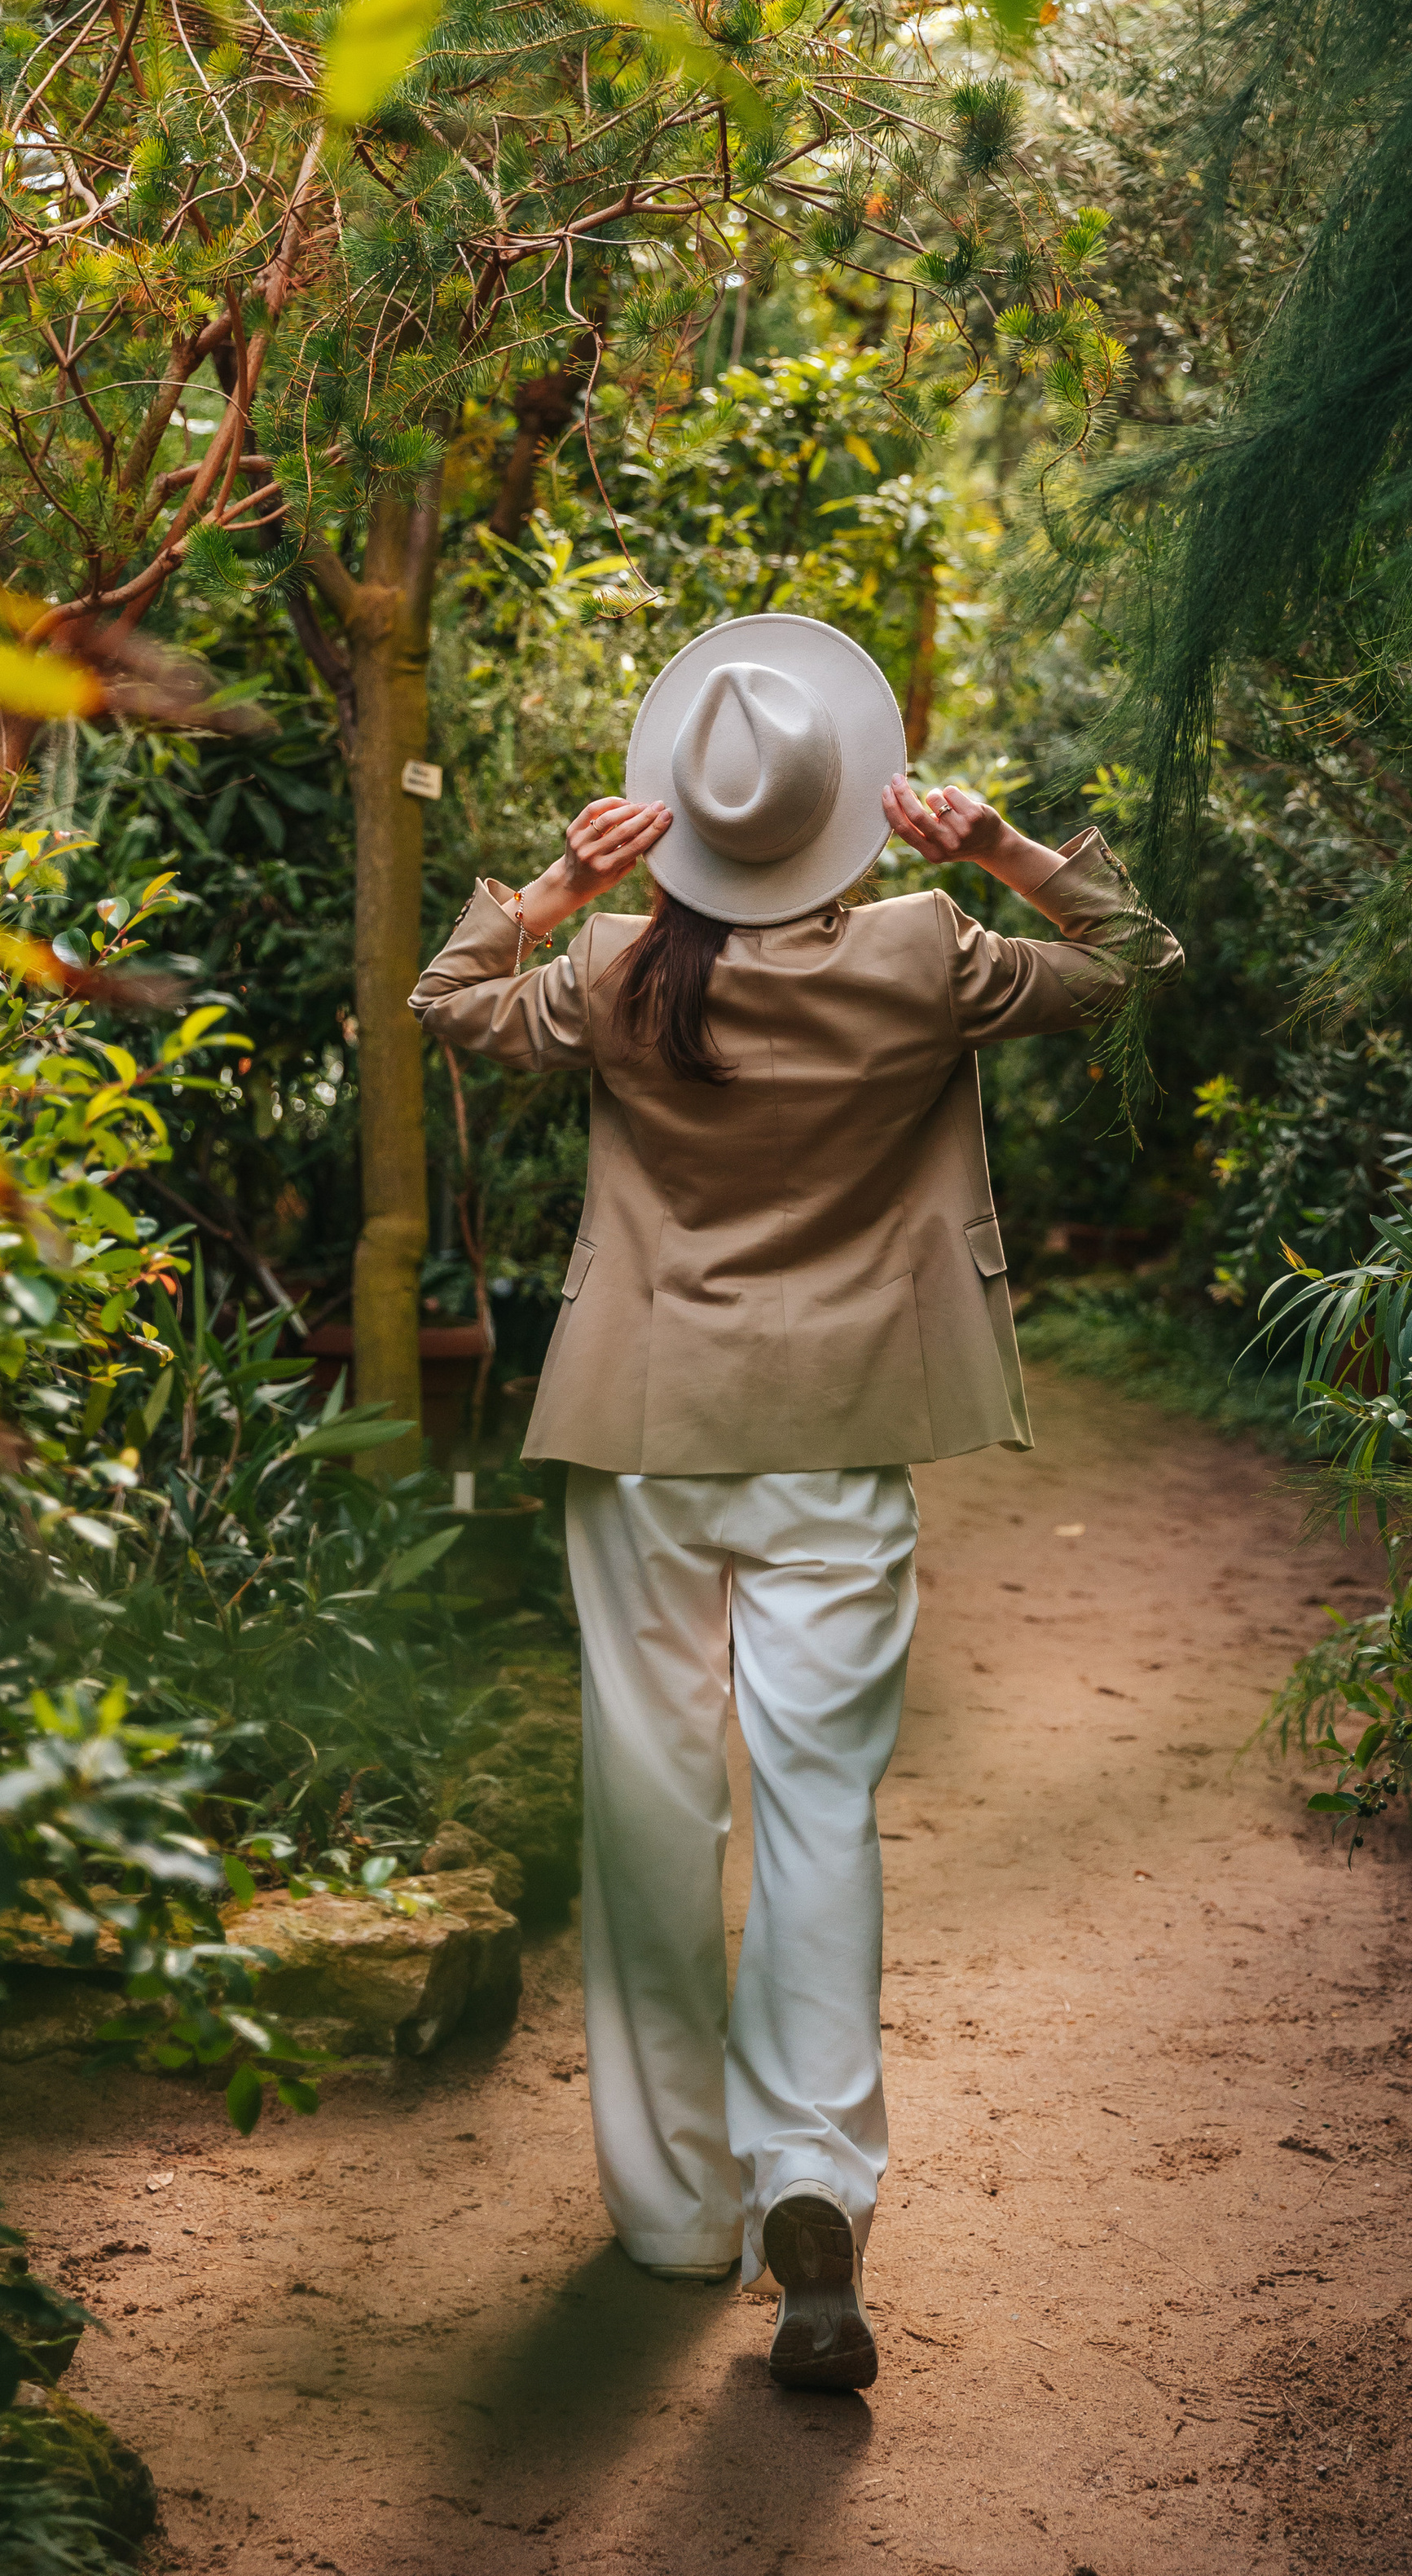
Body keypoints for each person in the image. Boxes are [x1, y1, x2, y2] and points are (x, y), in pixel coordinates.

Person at [410, 614, 1180, 2393]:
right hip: (839, 1439)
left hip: (644, 1434)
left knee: (650, 1802)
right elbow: (1129, 957)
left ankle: (679, 2216)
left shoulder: (614, 965)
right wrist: (996, 846)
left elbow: (444, 1005)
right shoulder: (924, 952)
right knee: (820, 1808)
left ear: (676, 815)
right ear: (847, 804)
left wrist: (555, 884)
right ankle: (812, 2181)